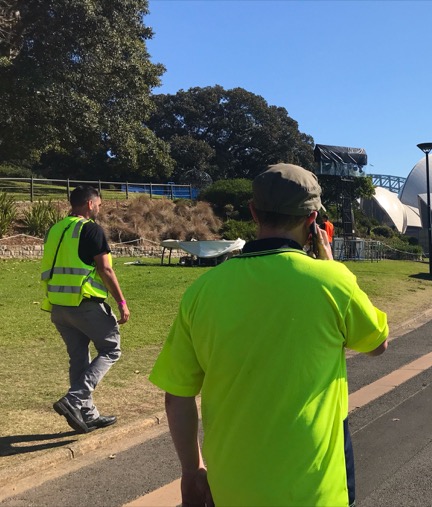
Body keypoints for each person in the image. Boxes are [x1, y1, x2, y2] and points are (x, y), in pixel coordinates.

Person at [149, 163, 389, 507]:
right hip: (317, 491)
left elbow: (177, 396)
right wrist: (332, 264)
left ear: (253, 212)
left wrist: (192, 470)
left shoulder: (203, 290)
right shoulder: (333, 282)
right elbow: (378, 343)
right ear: (313, 219)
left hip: (232, 489)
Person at [41, 185, 129, 434]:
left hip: (58, 307)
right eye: (99, 204)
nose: (100, 208)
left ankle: (86, 414)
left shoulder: (55, 230)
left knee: (79, 358)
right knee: (111, 350)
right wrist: (122, 302)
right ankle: (73, 400)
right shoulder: (90, 229)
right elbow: (106, 269)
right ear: (89, 204)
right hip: (85, 303)